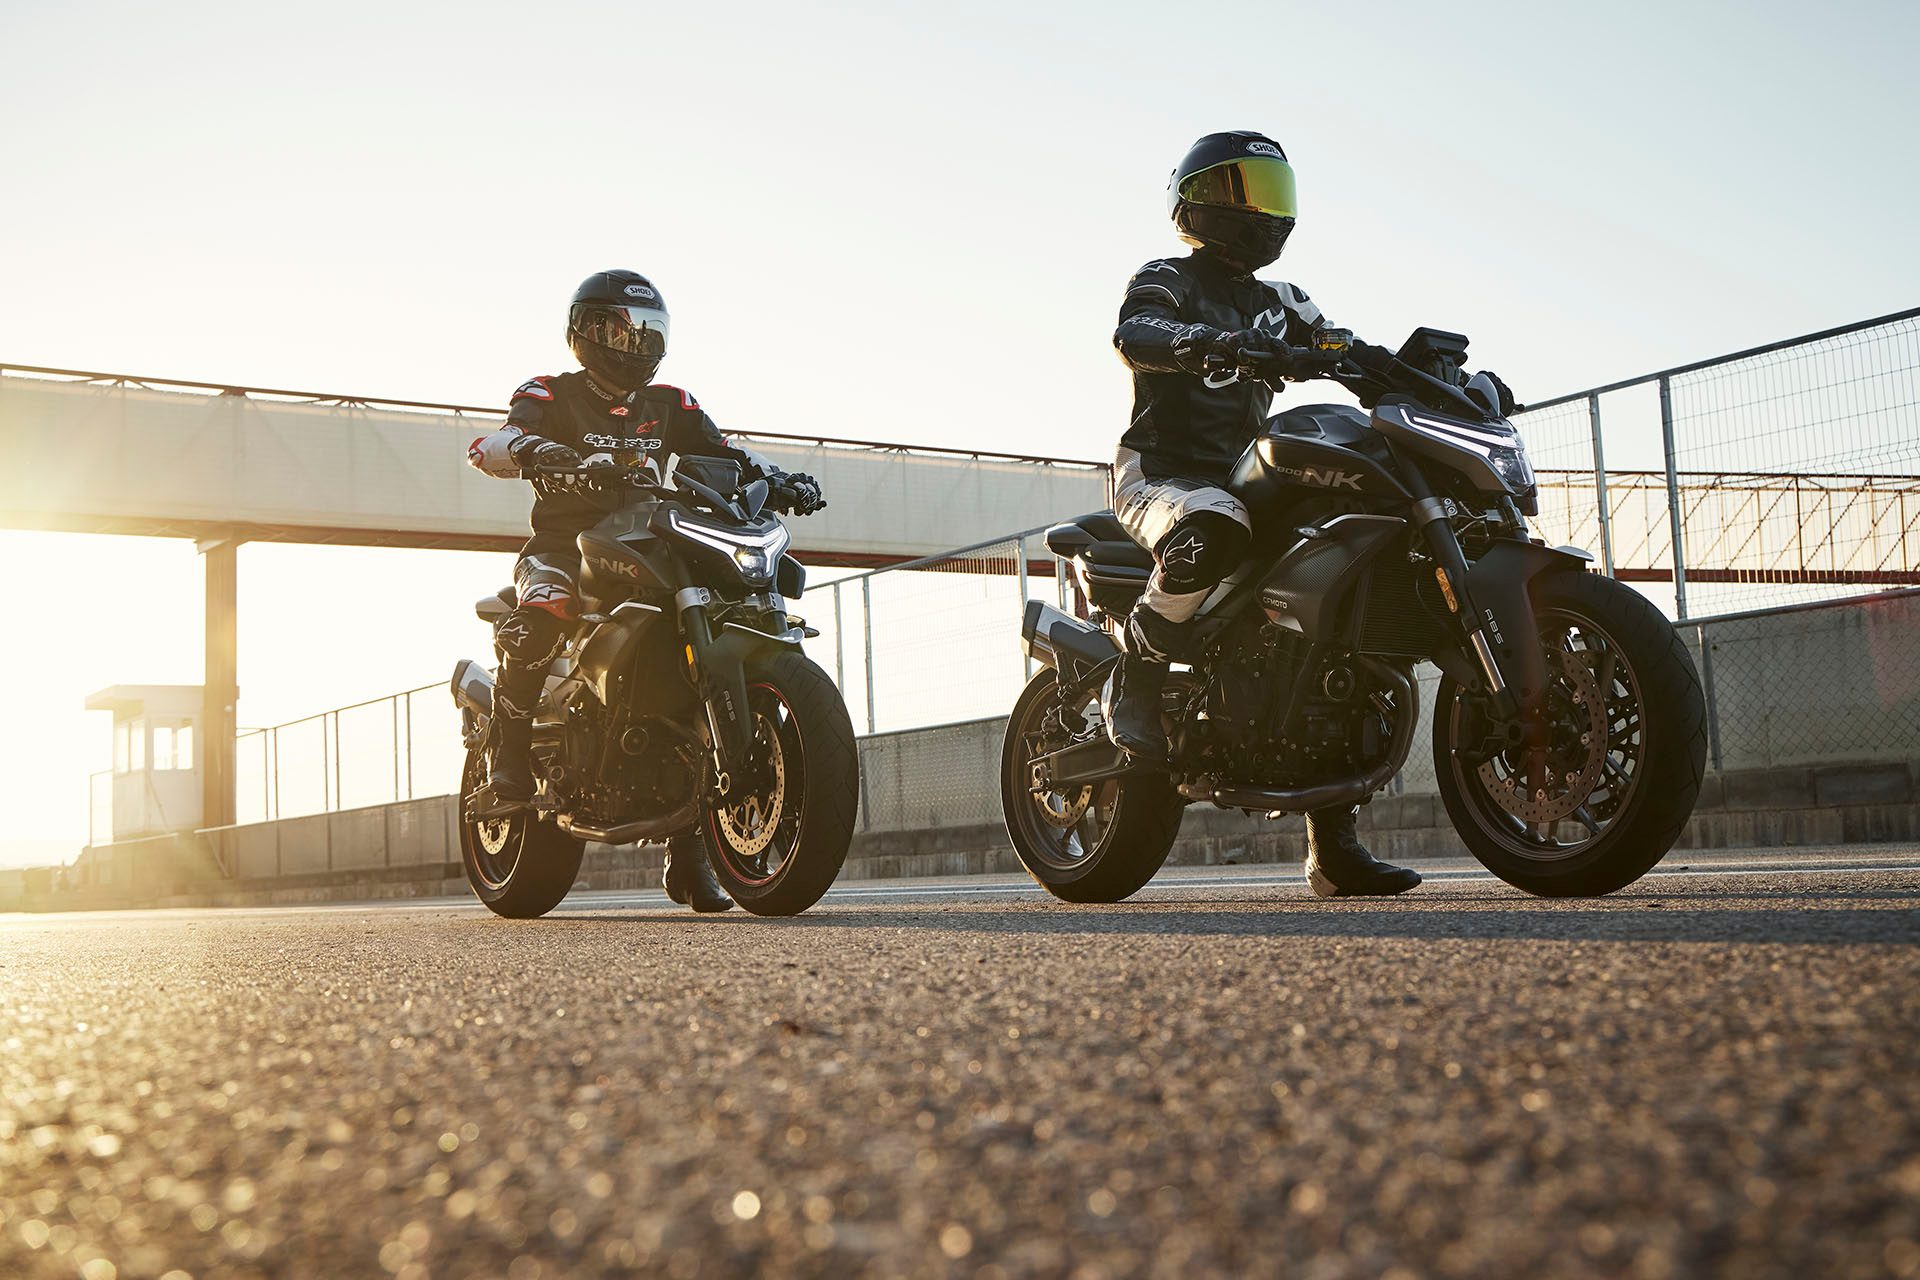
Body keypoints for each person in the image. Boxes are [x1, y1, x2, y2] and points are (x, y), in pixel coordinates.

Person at [1106, 131, 1509, 898]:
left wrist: (1437, 382)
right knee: (1215, 525)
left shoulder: (1284, 302)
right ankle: (1137, 671)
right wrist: (1207, 341)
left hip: (1241, 471)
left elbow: (1350, 352)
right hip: (1164, 473)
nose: (1265, 209)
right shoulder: (1165, 277)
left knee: (1352, 605)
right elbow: (1137, 334)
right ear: (1200, 199)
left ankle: (1334, 848)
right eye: (1246, 189)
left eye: (1275, 191)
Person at [465, 269, 826, 912]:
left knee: (705, 635)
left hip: (655, 544)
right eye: (620, 331)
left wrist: (779, 477)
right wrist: (549, 456)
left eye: (647, 332)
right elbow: (494, 444)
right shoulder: (549, 392)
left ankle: (688, 858)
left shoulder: (673, 405)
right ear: (585, 330)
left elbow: (727, 455)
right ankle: (510, 762)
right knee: (543, 611)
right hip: (565, 551)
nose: (634, 345)